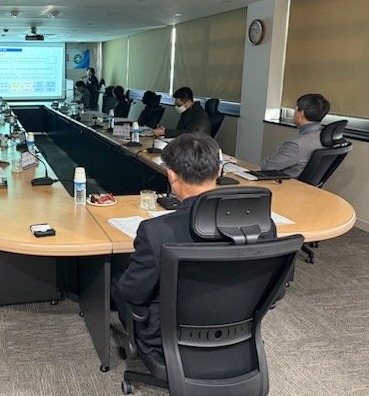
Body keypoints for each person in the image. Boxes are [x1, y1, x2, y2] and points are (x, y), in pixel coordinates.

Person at [111, 132, 276, 360]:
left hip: (168, 341)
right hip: (239, 334)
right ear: (219, 171)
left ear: (171, 174)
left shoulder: (155, 231)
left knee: (118, 281)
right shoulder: (263, 226)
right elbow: (276, 292)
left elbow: (133, 293)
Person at [261, 93, 330, 178]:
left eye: (295, 109)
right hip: (306, 185)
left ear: (301, 113)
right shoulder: (325, 137)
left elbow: (267, 167)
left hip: (286, 183)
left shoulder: (296, 145)